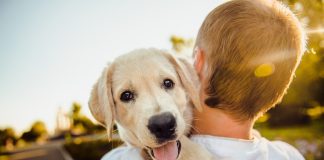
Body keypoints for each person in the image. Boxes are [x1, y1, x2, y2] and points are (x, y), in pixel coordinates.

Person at [102, 0, 306, 159]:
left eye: (167, 83)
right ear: (276, 92)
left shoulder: (120, 158)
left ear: (198, 62)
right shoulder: (288, 154)